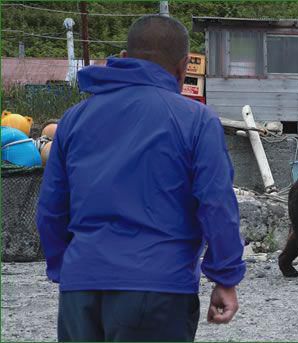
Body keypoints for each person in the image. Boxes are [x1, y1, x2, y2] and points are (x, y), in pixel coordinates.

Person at [36, 15, 245, 342]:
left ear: (122, 58)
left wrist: (72, 268)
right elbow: (216, 204)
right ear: (183, 67)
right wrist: (225, 278)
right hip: (158, 288)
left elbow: (50, 208)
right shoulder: (196, 120)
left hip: (81, 288)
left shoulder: (74, 120)